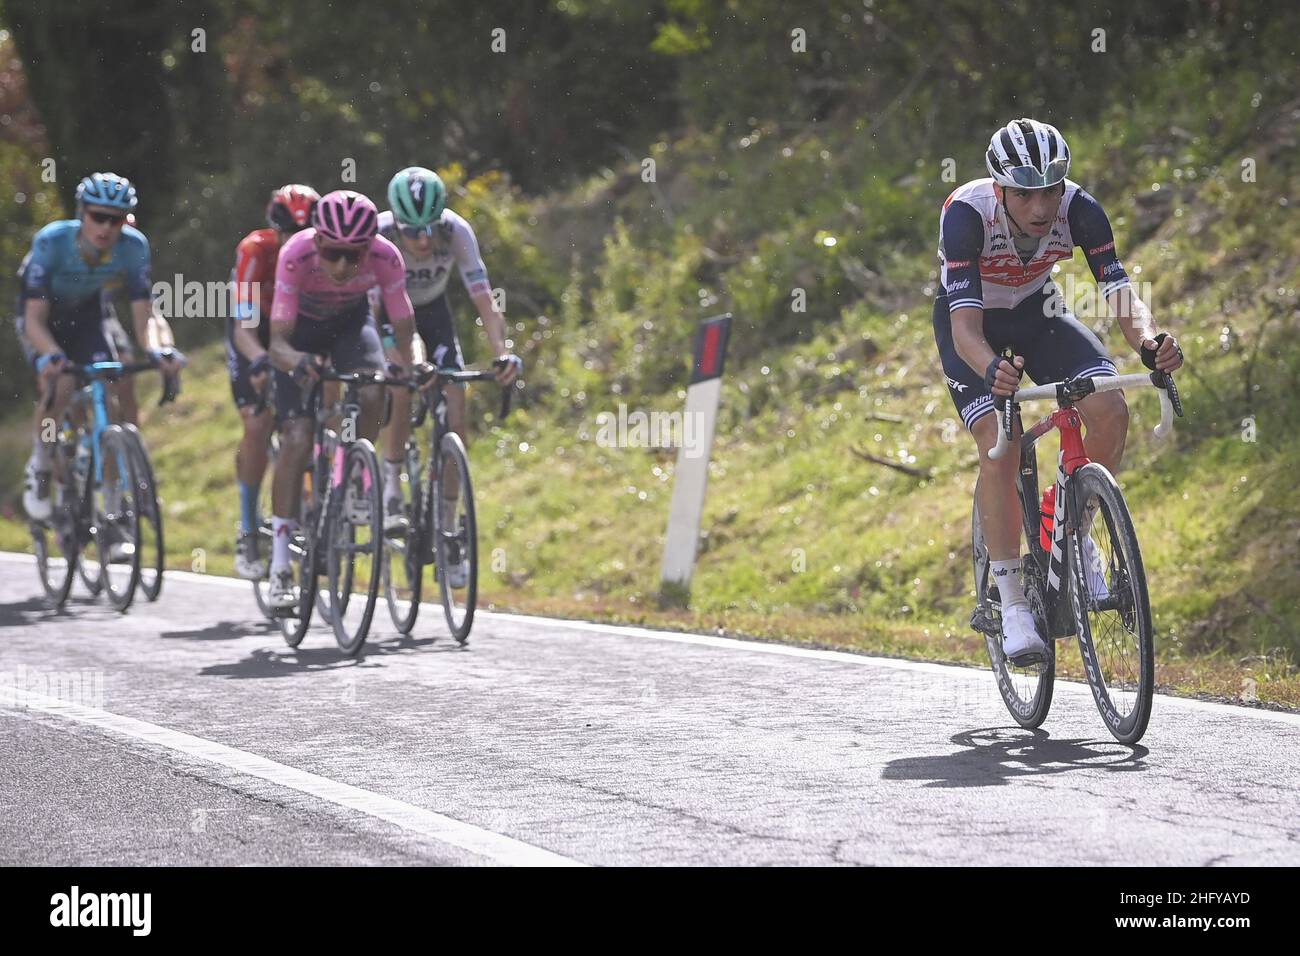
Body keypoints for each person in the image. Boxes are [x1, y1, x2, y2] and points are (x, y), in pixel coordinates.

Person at [932, 118, 1184, 663]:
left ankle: (1071, 529)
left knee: (1110, 407)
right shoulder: (968, 214)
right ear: (1001, 188)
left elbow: (1120, 291)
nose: (1041, 206)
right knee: (1000, 442)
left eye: (1049, 188)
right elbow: (964, 331)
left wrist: (1148, 342)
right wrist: (992, 369)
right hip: (973, 328)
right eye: (1025, 193)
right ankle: (1013, 601)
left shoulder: (1081, 209)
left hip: (1038, 314)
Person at [265, 189, 416, 610]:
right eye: (333, 254)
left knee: (373, 388)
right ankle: (280, 566)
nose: (343, 266)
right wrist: (297, 361)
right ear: (317, 242)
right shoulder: (295, 254)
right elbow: (277, 341)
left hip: (353, 325)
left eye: (355, 255)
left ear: (370, 246)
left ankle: (354, 474)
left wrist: (409, 362)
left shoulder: (386, 257)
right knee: (297, 438)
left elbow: (404, 326)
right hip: (301, 332)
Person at [375, 167, 521, 584]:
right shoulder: (380, 235)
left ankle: (449, 528)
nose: (422, 241)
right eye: (412, 231)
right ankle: (391, 490)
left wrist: (503, 354)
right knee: (402, 387)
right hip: (388, 312)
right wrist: (386, 356)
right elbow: (369, 311)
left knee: (456, 406)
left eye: (430, 229)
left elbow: (484, 300)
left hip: (434, 312)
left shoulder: (457, 230)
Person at [18, 172, 182, 525]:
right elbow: (33, 319)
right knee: (60, 385)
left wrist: (160, 349)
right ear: (82, 214)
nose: (106, 228)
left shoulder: (133, 247)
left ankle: (111, 503)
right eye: (98, 217)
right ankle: (42, 462)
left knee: (110, 390)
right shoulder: (52, 242)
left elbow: (145, 315)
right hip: (43, 319)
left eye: (116, 219)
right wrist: (51, 355)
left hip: (87, 316)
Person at [227, 184, 320, 579]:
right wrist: (261, 360)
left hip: (294, 329)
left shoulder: (320, 255)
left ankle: (313, 508)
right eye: (286, 236)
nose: (291, 245)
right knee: (258, 422)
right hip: (255, 332)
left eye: (301, 236)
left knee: (310, 414)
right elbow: (243, 327)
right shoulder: (254, 250)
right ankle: (248, 528)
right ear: (273, 230)